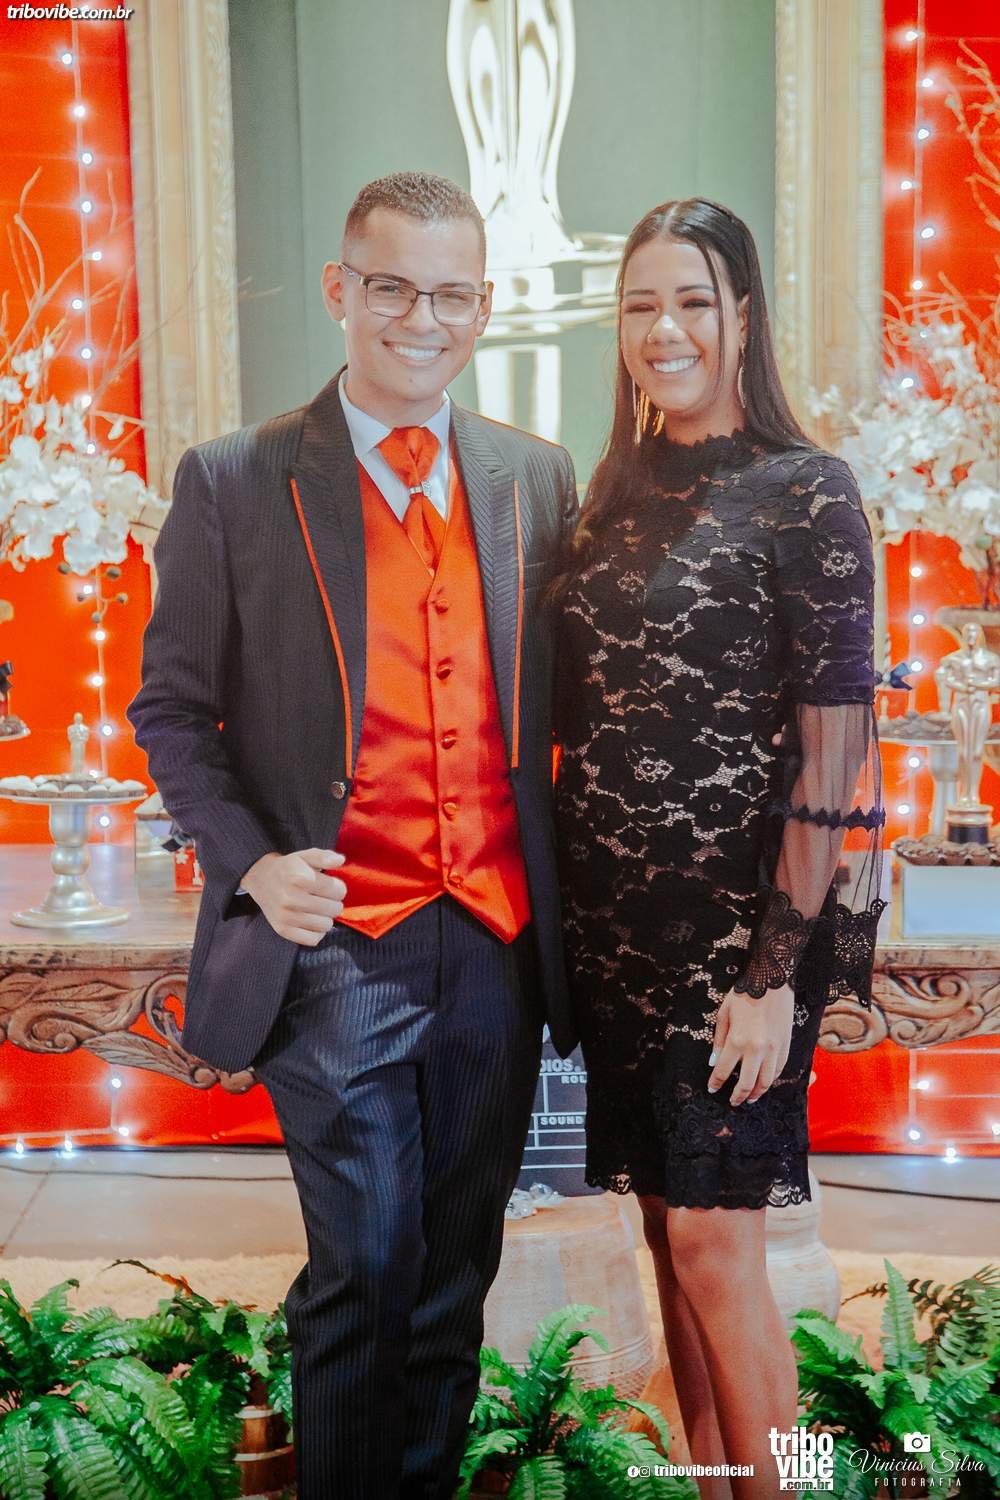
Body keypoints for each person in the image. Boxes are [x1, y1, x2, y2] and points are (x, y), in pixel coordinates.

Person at [128, 170, 578, 1500]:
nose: (420, 320)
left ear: (484, 308)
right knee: (367, 1261)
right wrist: (256, 864)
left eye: (451, 296)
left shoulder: (533, 478)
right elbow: (172, 711)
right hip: (335, 940)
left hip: (494, 939)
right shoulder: (234, 479)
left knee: (454, 1272)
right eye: (392, 288)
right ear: (341, 290)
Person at [553, 198, 884, 1499]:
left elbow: (833, 755)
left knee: (713, 1244)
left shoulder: (809, 491)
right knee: (661, 1234)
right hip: (617, 939)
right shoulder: (609, 492)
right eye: (641, 303)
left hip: (739, 939)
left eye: (693, 300)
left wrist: (771, 976)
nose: (665, 328)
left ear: (743, 316)